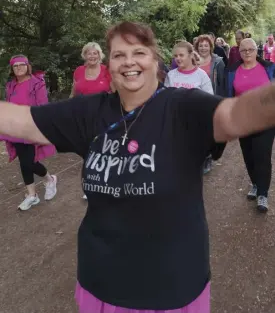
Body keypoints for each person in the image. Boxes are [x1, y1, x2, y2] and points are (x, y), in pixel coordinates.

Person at [2, 22, 275, 313]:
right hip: (101, 284)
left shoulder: (184, 107)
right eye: (119, 55)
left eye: (139, 52)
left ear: (155, 60)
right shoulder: (91, 112)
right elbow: (21, 121)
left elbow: (236, 115)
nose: (129, 61)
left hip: (173, 286)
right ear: (109, 64)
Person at [0, 55, 57, 211]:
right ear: (12, 68)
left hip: (31, 127)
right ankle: (32, 195)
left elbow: (42, 107)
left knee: (29, 161)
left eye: (22, 65)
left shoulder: (37, 83)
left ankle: (49, 179)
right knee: (23, 161)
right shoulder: (10, 85)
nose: (19, 68)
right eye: (15, 65)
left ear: (27, 66)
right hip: (15, 129)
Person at [227, 38, 275, 212]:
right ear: (239, 52)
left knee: (262, 155)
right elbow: (229, 94)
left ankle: (263, 193)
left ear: (257, 51)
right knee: (249, 155)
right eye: (243, 50)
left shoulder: (269, 68)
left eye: (250, 49)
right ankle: (255, 183)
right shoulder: (232, 71)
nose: (247, 53)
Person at [70, 42, 113, 199]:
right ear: (84, 55)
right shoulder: (79, 71)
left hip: (103, 116)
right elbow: (74, 92)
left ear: (100, 55)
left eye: (95, 53)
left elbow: (114, 91)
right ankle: (91, 184)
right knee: (87, 151)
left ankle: (104, 181)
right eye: (89, 53)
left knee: (102, 150)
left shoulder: (106, 71)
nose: (92, 56)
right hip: (83, 118)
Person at [194, 35, 226, 173]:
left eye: (206, 45)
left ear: (210, 46)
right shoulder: (192, 60)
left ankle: (208, 157)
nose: (203, 48)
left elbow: (222, 83)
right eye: (200, 45)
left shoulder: (218, 62)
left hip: (211, 101)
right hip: (194, 102)